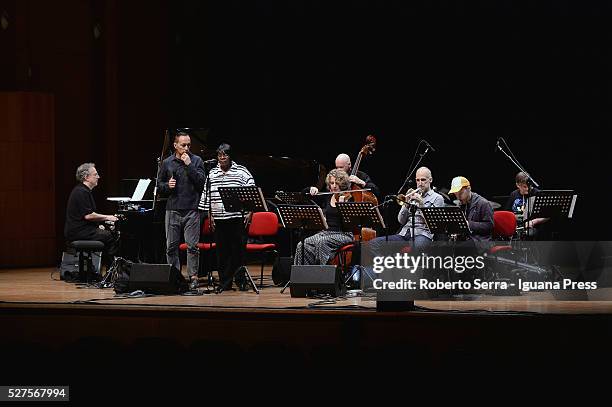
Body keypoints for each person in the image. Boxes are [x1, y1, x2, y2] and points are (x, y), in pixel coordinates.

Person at [199, 143, 255, 292]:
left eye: (225, 155)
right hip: (218, 218)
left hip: (237, 218)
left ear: (230, 156)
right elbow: (207, 195)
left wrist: (250, 212)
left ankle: (241, 281)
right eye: (219, 155)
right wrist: (209, 215)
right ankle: (225, 282)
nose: (222, 157)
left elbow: (252, 193)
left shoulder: (242, 172)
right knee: (222, 253)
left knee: (238, 251)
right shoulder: (212, 173)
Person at [157, 131, 206, 291]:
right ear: (175, 145)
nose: (186, 148)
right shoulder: (167, 162)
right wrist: (167, 186)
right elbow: (159, 185)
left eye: (189, 145)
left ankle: (193, 277)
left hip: (192, 209)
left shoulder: (196, 160)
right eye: (183, 145)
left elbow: (201, 183)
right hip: (172, 210)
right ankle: (175, 276)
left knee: (192, 247)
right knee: (171, 247)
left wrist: (189, 165)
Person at [370, 167, 444, 251]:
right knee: (374, 243)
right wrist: (406, 204)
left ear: (430, 180)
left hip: (422, 234)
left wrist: (421, 205)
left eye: (423, 180)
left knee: (416, 247)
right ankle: (384, 264)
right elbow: (401, 221)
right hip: (404, 233)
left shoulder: (437, 198)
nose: (420, 183)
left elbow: (434, 224)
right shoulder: (413, 195)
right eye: (417, 180)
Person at [64, 163, 119, 269]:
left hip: (80, 230)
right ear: (86, 177)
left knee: (106, 234)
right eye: (95, 174)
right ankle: (112, 272)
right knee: (110, 237)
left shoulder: (83, 190)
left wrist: (97, 226)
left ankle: (101, 270)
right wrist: (108, 217)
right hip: (77, 232)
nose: (98, 177)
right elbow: (88, 216)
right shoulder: (81, 192)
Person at [294, 169, 355, 266]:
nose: (334, 186)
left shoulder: (349, 199)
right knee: (302, 245)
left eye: (337, 183)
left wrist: (343, 207)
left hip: (344, 234)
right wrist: (310, 189)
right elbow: (303, 196)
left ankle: (322, 275)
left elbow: (349, 225)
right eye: (332, 183)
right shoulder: (327, 196)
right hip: (326, 233)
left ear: (343, 184)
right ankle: (304, 276)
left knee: (321, 242)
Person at [309, 153, 381, 200]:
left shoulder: (361, 175)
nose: (338, 170)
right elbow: (327, 196)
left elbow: (376, 192)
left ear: (349, 164)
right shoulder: (334, 177)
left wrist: (361, 182)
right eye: (337, 167)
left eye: (341, 167)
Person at [448, 176, 493, 242]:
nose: (458, 197)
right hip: (466, 238)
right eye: (456, 194)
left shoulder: (483, 203)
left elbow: (489, 226)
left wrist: (468, 224)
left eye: (460, 193)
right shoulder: (460, 204)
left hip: (479, 240)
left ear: (469, 188)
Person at [504, 171, 548, 236]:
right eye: (524, 187)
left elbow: (547, 216)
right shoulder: (513, 194)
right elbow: (507, 213)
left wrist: (534, 221)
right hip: (517, 226)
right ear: (517, 185)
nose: (527, 189)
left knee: (527, 234)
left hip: (532, 228)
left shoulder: (537, 193)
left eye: (529, 186)